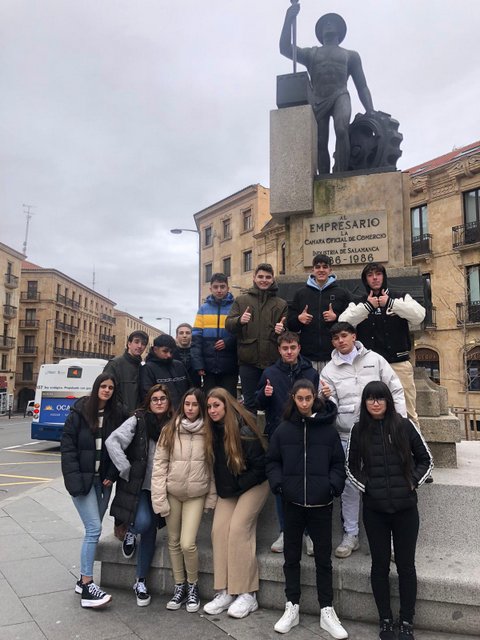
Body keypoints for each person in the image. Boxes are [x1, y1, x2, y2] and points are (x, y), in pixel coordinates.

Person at [346, 381, 433, 640]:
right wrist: (368, 487)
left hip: (405, 509)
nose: (375, 403)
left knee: (406, 566)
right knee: (379, 565)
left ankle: (406, 620)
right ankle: (385, 619)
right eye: (370, 399)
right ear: (364, 402)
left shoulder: (404, 426)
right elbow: (351, 466)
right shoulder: (358, 430)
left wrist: (412, 482)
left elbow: (426, 459)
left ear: (388, 401)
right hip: (375, 511)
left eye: (380, 398)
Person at [266, 380, 348, 639]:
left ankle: (327, 609)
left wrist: (332, 487)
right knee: (291, 558)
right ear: (293, 398)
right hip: (292, 503)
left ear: (314, 398)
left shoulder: (327, 430)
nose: (304, 403)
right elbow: (273, 461)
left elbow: (338, 463)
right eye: (299, 398)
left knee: (323, 559)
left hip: (321, 504)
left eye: (308, 398)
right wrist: (279, 485)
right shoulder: (283, 429)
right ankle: (292, 605)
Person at [320, 322, 406, 560]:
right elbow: (329, 406)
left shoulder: (376, 360)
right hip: (347, 435)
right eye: (336, 338)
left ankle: (389, 540)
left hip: (380, 431)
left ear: (354, 336)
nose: (340, 341)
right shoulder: (328, 370)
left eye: (344, 336)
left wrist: (399, 423)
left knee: (383, 483)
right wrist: (327, 399)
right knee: (350, 487)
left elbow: (395, 390)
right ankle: (351, 534)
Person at [280, 3, 374, 174]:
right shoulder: (311, 53)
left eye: (332, 22)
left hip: (340, 95)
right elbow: (285, 48)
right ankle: (324, 178)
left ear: (339, 30)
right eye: (324, 24)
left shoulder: (350, 55)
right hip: (318, 100)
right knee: (320, 142)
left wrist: (371, 111)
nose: (328, 25)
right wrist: (289, 18)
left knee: (341, 129)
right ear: (320, 32)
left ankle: (342, 174)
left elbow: (362, 86)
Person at [61, 372, 127, 609]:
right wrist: (75, 483)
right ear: (96, 386)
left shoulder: (115, 414)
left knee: (94, 531)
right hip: (83, 481)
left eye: (111, 387)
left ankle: (82, 581)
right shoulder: (79, 412)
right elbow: (68, 450)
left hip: (104, 482)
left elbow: (119, 447)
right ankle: (88, 587)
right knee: (93, 529)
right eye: (103, 386)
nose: (107, 390)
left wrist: (112, 474)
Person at [203, 387, 269, 619]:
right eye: (209, 407)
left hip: (255, 483)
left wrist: (238, 486)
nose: (212, 410)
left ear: (227, 405)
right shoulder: (211, 431)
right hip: (231, 487)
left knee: (239, 528)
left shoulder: (244, 429)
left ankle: (247, 594)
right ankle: (224, 591)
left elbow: (261, 467)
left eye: (216, 405)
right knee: (219, 530)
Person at [105, 384, 174, 607]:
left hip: (161, 487)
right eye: (155, 399)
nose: (159, 402)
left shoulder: (173, 423)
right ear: (148, 402)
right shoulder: (138, 420)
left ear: (168, 402)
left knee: (151, 530)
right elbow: (112, 441)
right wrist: (124, 468)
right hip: (140, 485)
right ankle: (130, 532)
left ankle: (140, 581)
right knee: (143, 522)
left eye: (163, 398)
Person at [151, 388, 216, 613]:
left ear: (201, 407)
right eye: (187, 404)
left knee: (188, 543)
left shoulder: (208, 432)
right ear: (182, 405)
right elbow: (159, 465)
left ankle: (193, 585)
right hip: (173, 492)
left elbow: (212, 468)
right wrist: (159, 498)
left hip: (196, 494)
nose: (190, 408)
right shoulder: (169, 429)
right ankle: (179, 586)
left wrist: (211, 498)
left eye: (195, 404)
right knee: (173, 541)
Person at [339, 262, 426, 428]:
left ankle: (412, 443)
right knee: (369, 411)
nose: (375, 278)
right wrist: (367, 307)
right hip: (369, 366)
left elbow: (419, 315)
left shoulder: (400, 297)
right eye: (370, 275)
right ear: (365, 279)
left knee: (407, 411)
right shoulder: (359, 302)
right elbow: (343, 322)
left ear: (384, 277)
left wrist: (391, 304)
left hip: (398, 363)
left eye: (378, 274)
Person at [255, 331, 319, 555]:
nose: (289, 352)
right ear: (279, 350)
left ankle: (309, 533)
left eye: (293, 347)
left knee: (308, 484)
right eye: (285, 348)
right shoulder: (269, 373)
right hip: (279, 434)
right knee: (281, 484)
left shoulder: (311, 373)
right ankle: (285, 531)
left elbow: (317, 404)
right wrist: (265, 394)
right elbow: (258, 403)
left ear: (299, 348)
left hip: (306, 434)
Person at [225, 263, 288, 413]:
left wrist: (282, 330)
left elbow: (287, 333)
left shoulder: (281, 304)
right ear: (254, 278)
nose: (264, 280)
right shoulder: (241, 301)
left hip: (272, 361)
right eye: (260, 276)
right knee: (250, 404)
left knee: (274, 401)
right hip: (248, 362)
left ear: (272, 279)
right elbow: (228, 325)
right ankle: (251, 428)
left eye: (268, 277)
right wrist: (239, 321)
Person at [287, 254, 352, 372]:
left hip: (334, 355)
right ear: (313, 270)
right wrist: (299, 319)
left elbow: (351, 323)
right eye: (317, 267)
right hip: (307, 357)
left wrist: (336, 318)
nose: (321, 270)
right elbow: (291, 324)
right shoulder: (301, 294)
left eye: (325, 267)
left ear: (330, 270)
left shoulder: (342, 293)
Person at [191, 272, 238, 397]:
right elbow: (196, 339)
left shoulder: (235, 307)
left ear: (228, 288)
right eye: (216, 287)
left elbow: (242, 333)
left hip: (230, 366)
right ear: (210, 288)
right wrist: (199, 364)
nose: (219, 290)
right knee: (210, 399)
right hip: (209, 367)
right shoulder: (203, 309)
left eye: (222, 287)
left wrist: (228, 342)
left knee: (229, 400)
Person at [140, 334, 190, 409]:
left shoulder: (179, 365)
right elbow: (147, 396)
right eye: (165, 351)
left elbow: (190, 389)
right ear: (155, 350)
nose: (169, 355)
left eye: (171, 352)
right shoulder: (147, 369)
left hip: (183, 413)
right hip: (162, 414)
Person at [104, 330, 149, 412]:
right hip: (119, 416)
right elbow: (106, 391)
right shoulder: (115, 364)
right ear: (129, 344)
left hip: (138, 416)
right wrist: (123, 411)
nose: (140, 346)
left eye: (143, 344)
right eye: (136, 342)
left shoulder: (142, 368)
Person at [173, 323, 202, 388]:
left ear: (192, 336)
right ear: (176, 337)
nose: (184, 335)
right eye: (181, 333)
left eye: (187, 333)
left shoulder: (198, 354)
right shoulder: (171, 355)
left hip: (195, 389)